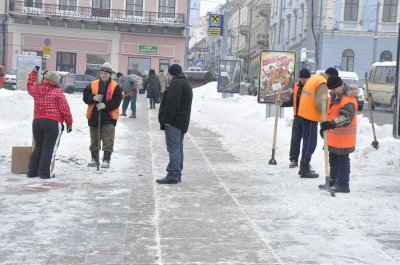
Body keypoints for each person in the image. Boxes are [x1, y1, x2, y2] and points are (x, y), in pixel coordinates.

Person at [27, 66, 73, 179]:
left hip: (37, 122)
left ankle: (32, 172)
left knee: (38, 147)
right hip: (52, 123)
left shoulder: (36, 89)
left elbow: (29, 85)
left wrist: (33, 73)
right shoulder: (58, 92)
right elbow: (65, 109)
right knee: (49, 148)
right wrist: (69, 123)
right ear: (56, 81)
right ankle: (45, 174)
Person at [297, 67, 339, 178]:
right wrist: (327, 115)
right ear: (330, 76)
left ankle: (303, 167)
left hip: (305, 113)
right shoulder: (323, 83)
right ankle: (304, 167)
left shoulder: (315, 78)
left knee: (307, 142)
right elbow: (320, 104)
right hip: (311, 116)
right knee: (310, 143)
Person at [319, 76, 358, 193]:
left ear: (340, 85)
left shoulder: (349, 99)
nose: (333, 91)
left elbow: (346, 118)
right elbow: (330, 114)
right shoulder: (334, 97)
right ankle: (332, 180)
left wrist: (330, 124)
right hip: (333, 138)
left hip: (344, 139)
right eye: (331, 89)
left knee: (342, 162)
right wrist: (324, 127)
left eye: (334, 89)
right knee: (333, 160)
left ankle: (343, 184)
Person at [157, 64, 193, 184]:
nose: (168, 76)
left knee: (173, 148)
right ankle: (177, 173)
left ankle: (173, 174)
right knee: (178, 148)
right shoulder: (185, 82)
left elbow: (172, 104)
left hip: (174, 122)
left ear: (171, 74)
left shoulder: (176, 84)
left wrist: (165, 119)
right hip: (181, 121)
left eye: (168, 74)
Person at [83, 62, 123, 168]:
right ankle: (94, 159)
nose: (103, 75)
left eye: (106, 73)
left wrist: (105, 105)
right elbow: (85, 97)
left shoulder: (116, 87)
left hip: (109, 117)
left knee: (108, 139)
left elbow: (117, 101)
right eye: (102, 73)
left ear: (110, 74)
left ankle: (106, 159)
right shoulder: (92, 84)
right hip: (94, 116)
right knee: (94, 139)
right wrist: (93, 97)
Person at [281, 68, 311, 168]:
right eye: (302, 78)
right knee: (295, 139)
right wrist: (282, 103)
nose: (304, 80)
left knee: (308, 142)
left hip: (308, 118)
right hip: (297, 117)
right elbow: (291, 101)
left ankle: (306, 161)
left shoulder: (312, 86)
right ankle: (293, 159)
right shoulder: (297, 86)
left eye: (305, 78)